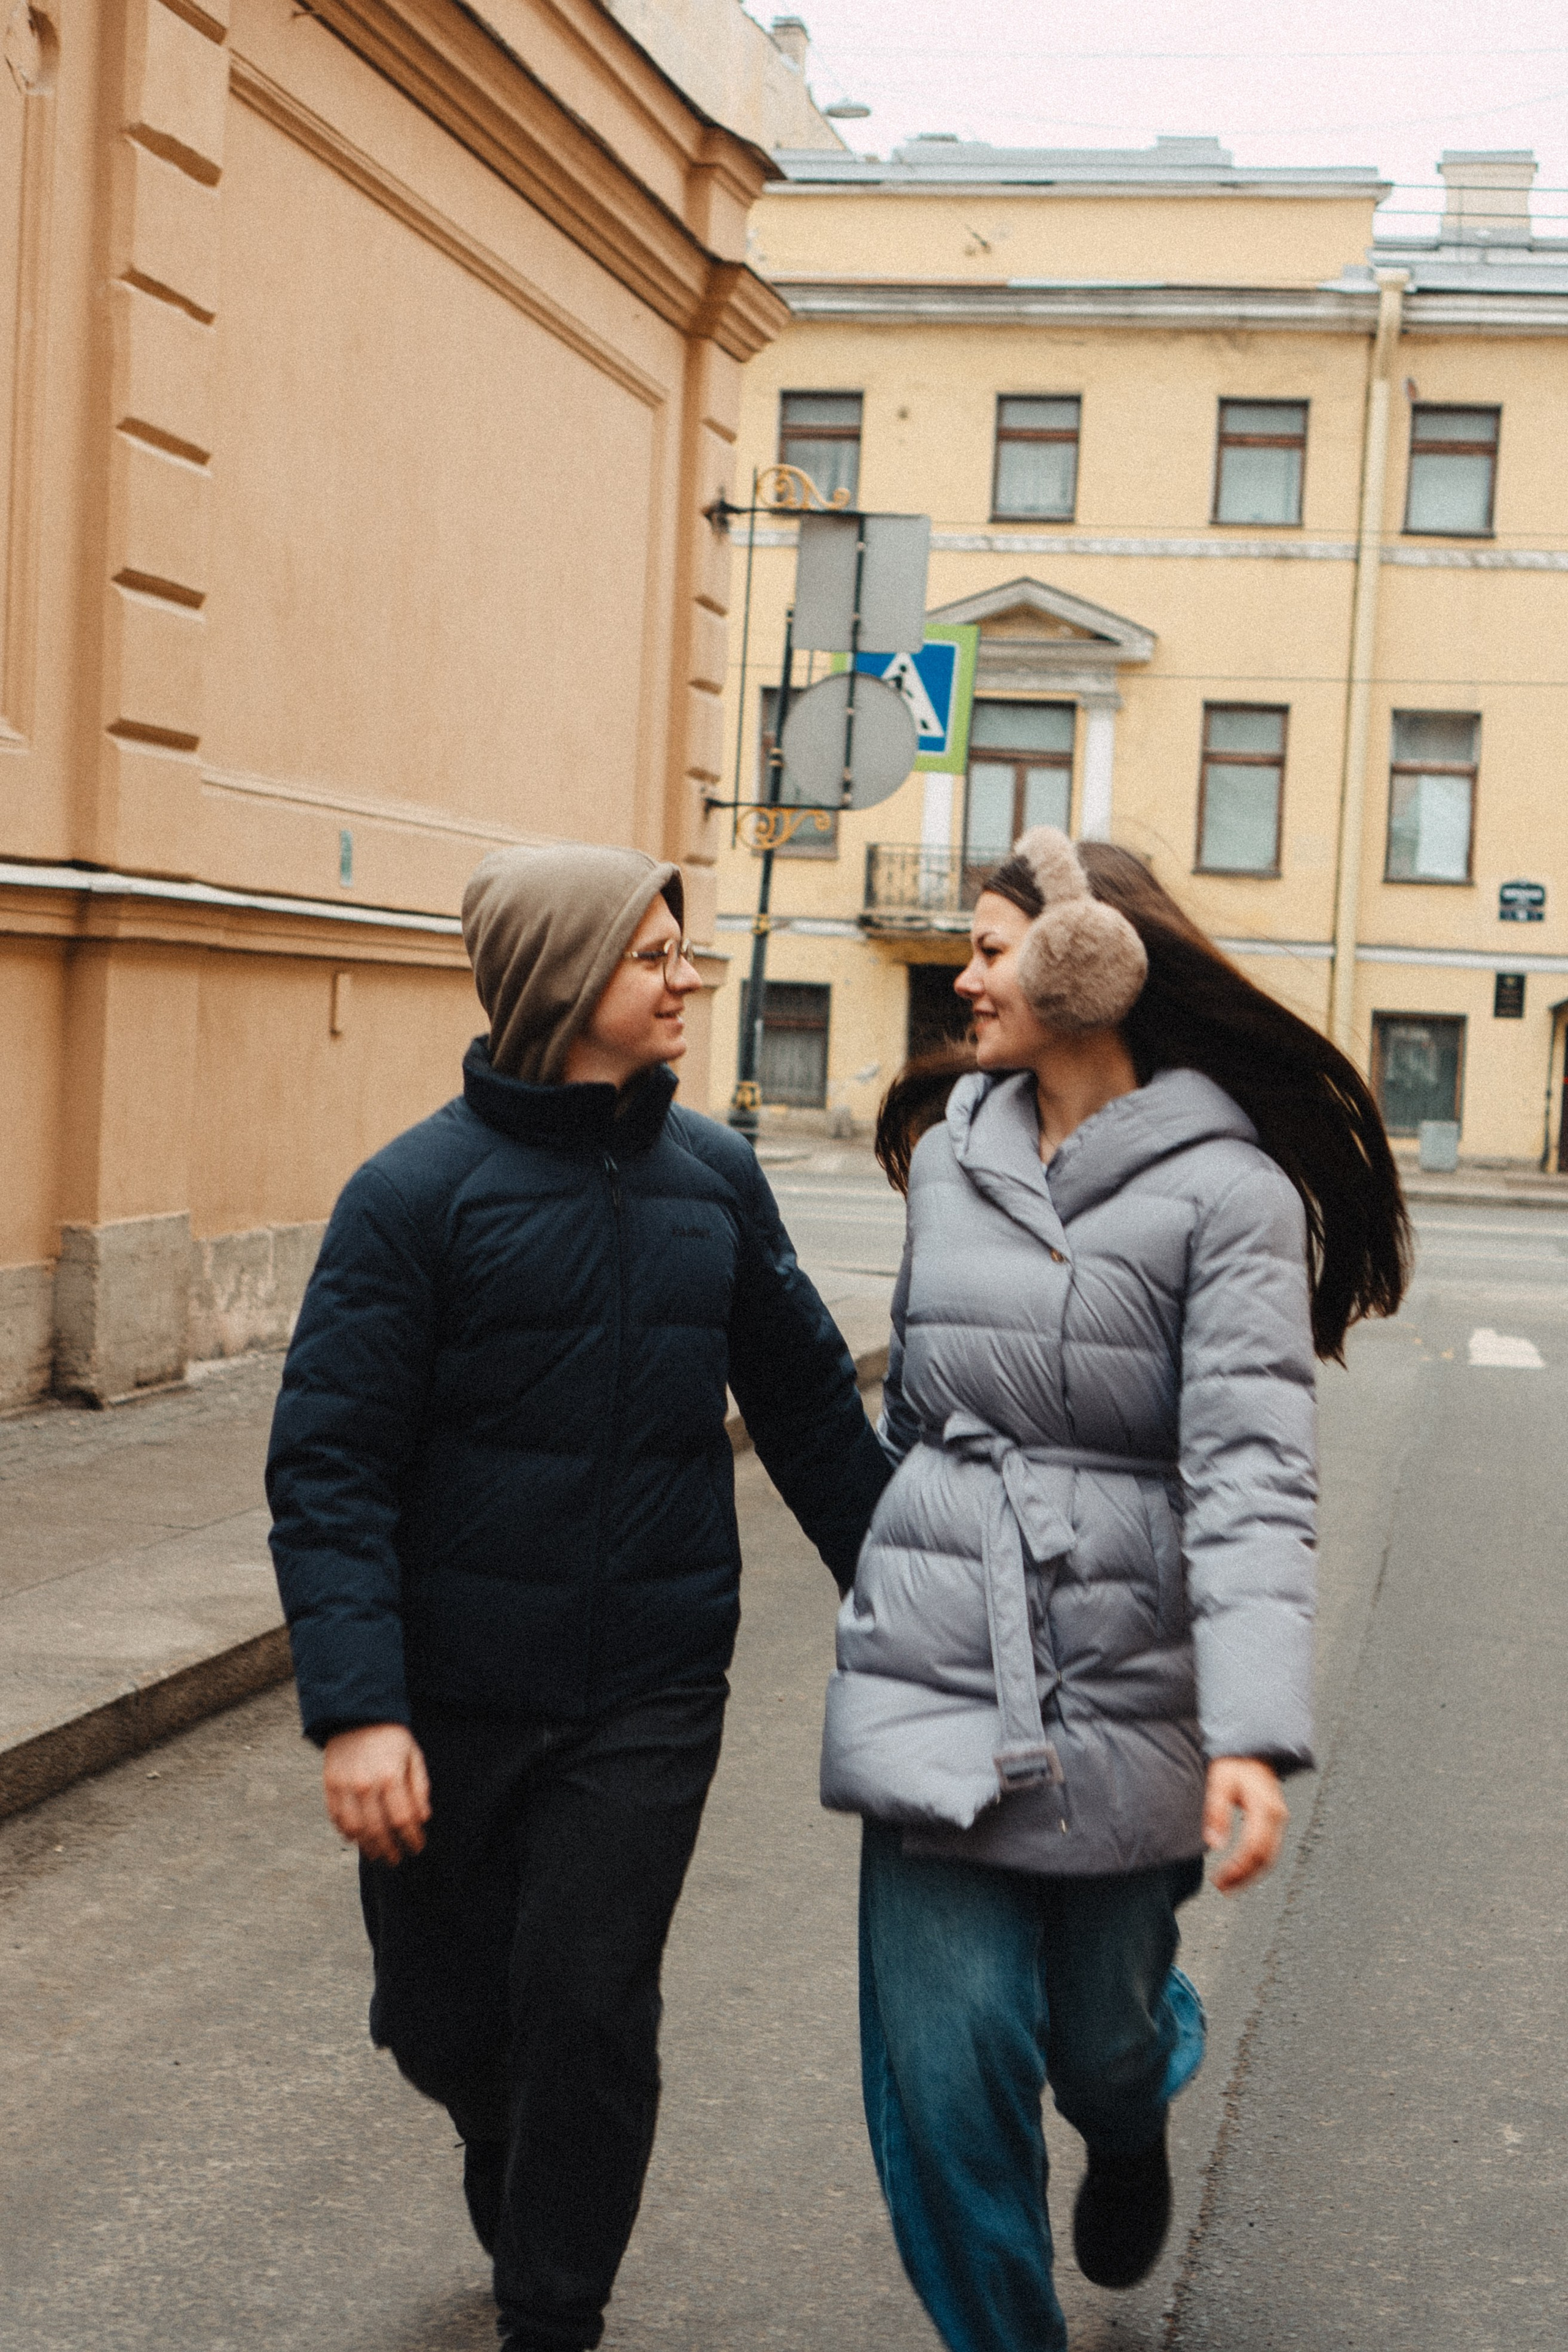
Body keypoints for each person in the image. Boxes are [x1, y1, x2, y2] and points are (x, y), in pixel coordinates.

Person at [267, 841, 890, 2352]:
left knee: (590, 2009)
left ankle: (556, 2309)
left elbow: (811, 1413)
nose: (688, 979)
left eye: (684, 952)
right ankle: (512, 2154)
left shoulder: (714, 1181)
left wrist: (927, 1614)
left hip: (648, 1688)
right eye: (652, 955)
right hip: (455, 1690)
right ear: (561, 982)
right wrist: (360, 1711)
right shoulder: (414, 1198)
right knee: (441, 2023)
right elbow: (331, 1467)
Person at [820, 827, 1409, 2352]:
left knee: (1097, 2037)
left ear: (1092, 963)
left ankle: (1131, 2109)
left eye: (994, 943)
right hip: (941, 1668)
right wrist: (889, 1582)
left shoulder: (1229, 1196)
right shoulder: (947, 1152)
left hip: (1128, 1677)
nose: (965, 971)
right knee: (945, 2073)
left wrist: (1250, 1732)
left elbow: (1250, 1475)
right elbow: (917, 1412)